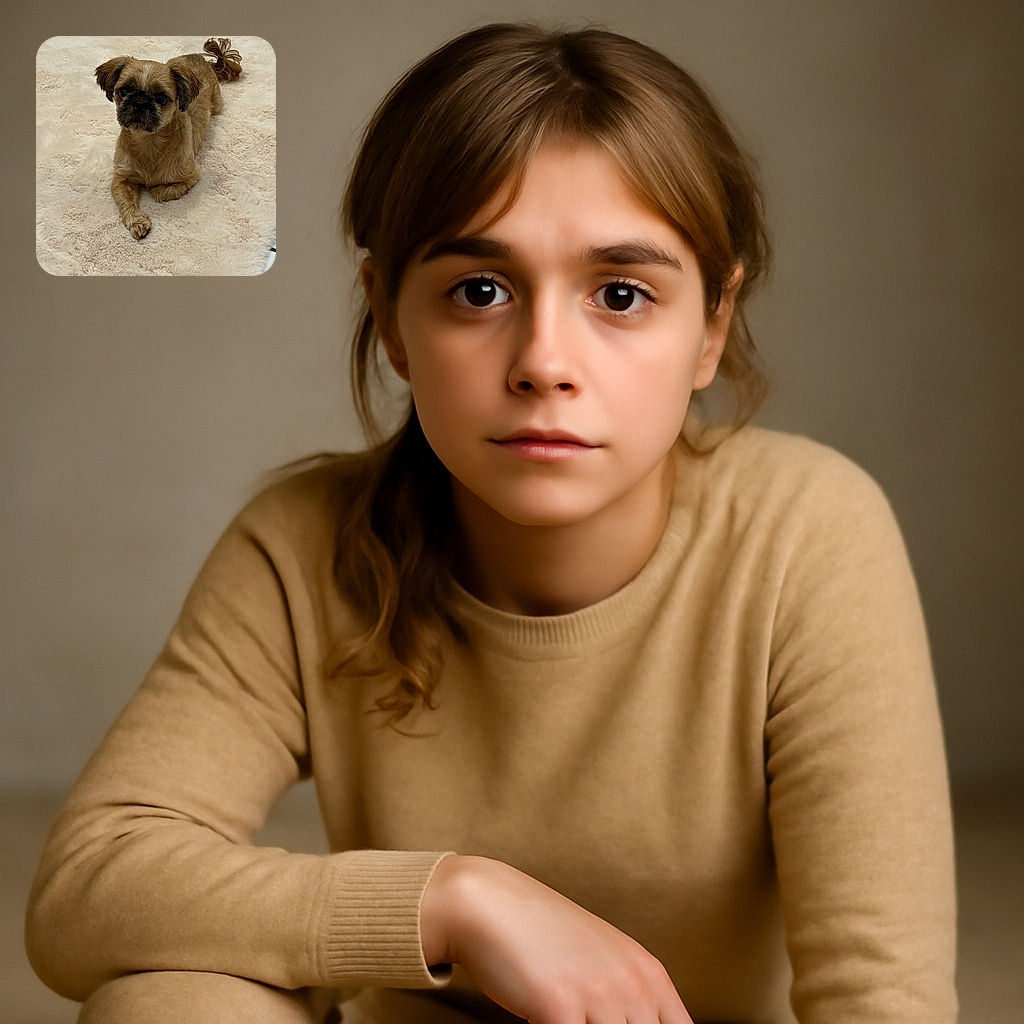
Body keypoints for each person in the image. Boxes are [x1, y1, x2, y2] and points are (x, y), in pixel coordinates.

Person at [25, 22, 957, 1024]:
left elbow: (881, 998)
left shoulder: (809, 533)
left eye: (620, 293)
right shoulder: (300, 547)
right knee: (167, 996)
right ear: (388, 315)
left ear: (711, 327)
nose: (543, 361)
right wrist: (453, 900)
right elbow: (89, 887)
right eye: (478, 290)